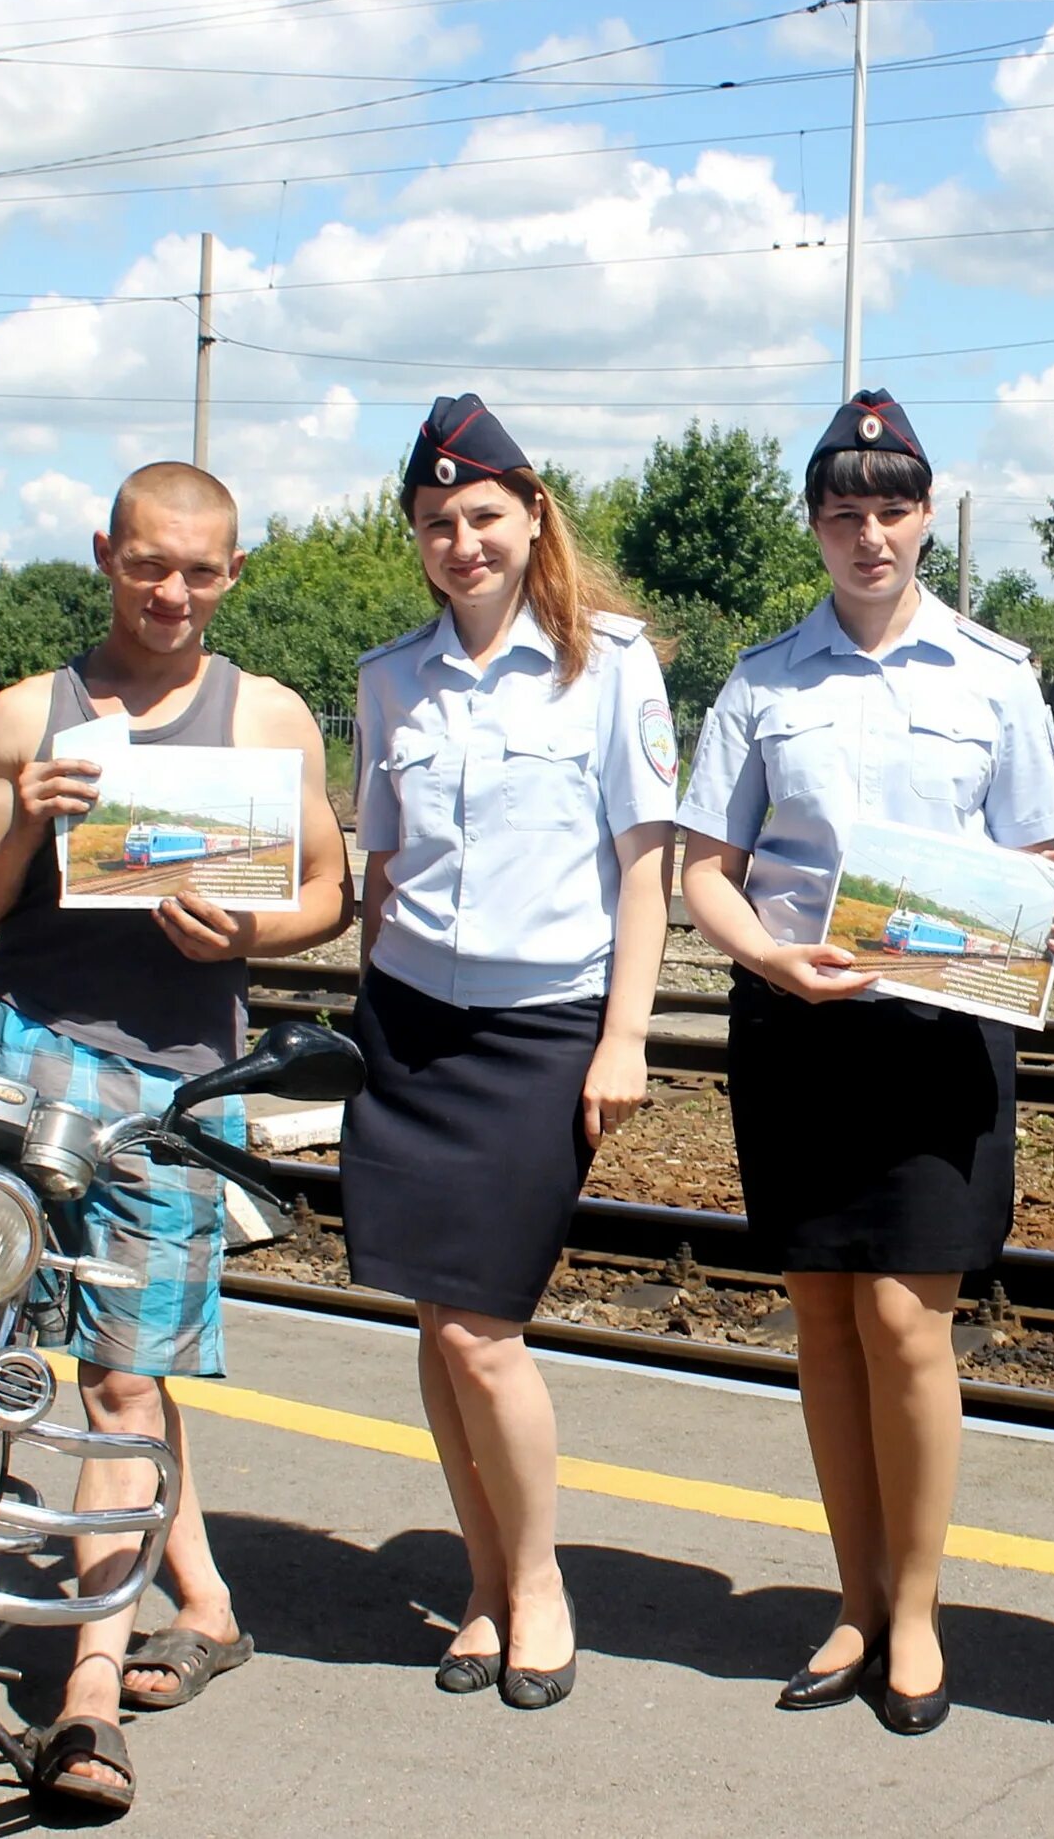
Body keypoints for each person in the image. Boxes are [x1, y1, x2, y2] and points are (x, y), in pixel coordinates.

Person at [0, 460, 351, 1815]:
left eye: (202, 571)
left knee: (119, 1381)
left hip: (175, 1089)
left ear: (235, 573)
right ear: (104, 553)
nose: (173, 594)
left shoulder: (270, 719)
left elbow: (329, 890)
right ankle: (206, 1601)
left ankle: (90, 1684)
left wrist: (250, 929)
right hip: (28, 1056)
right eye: (147, 565)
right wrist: (31, 829)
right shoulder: (27, 717)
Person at [678, 391, 1054, 1734]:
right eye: (844, 512)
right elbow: (707, 870)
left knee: (909, 1326)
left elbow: (1033, 861)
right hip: (798, 1027)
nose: (869, 535)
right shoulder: (761, 681)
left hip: (938, 1035)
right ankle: (852, 1598)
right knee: (822, 1326)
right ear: (815, 524)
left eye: (891, 510)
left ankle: (914, 1612)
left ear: (926, 516)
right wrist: (765, 958)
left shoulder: (995, 677)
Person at [338, 393, 677, 1713]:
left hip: (543, 1032)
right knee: (436, 1317)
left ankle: (537, 1584)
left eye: (483, 515)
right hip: (413, 1025)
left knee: (485, 1326)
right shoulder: (388, 678)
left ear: (533, 514)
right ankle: (480, 1582)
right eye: (436, 522)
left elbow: (645, 867)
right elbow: (380, 866)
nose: (461, 542)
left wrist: (624, 1038)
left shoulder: (613, 665)